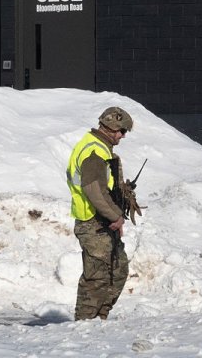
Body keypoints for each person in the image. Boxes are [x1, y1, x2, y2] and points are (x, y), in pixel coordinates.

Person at [66, 106, 133, 321]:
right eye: (122, 131)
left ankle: (98, 319)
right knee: (97, 277)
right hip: (92, 222)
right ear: (113, 128)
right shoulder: (94, 150)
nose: (123, 136)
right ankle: (85, 324)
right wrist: (115, 215)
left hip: (101, 221)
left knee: (118, 270)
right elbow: (94, 189)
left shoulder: (101, 148)